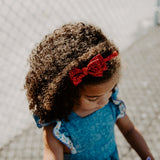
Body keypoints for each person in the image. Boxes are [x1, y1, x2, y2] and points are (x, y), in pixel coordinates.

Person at [24, 22, 154, 160]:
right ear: (67, 93)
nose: (104, 101)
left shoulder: (111, 103)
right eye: (93, 98)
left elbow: (129, 130)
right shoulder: (58, 128)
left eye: (110, 90)